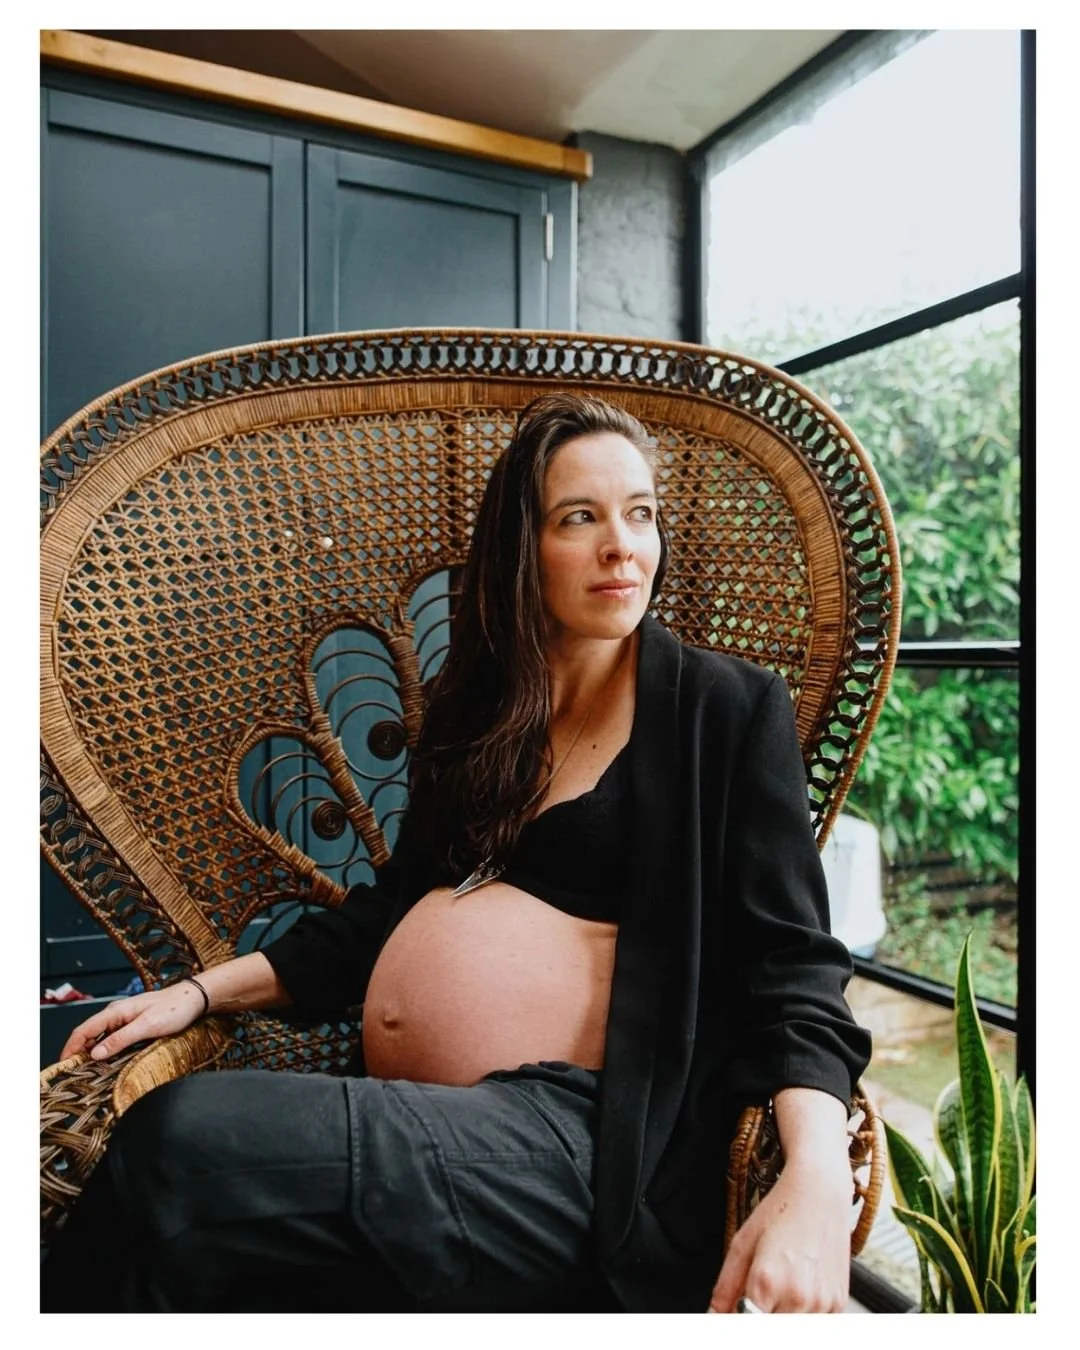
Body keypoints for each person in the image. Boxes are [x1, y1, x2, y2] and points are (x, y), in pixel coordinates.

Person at [40, 392, 871, 1314]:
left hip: (587, 1146)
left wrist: (817, 1179)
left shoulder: (723, 708)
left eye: (639, 513)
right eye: (579, 517)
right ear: (525, 546)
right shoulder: (482, 711)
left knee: (182, 1137)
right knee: (181, 1238)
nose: (621, 546)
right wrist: (200, 992)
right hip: (443, 1129)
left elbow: (791, 964)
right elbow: (385, 917)